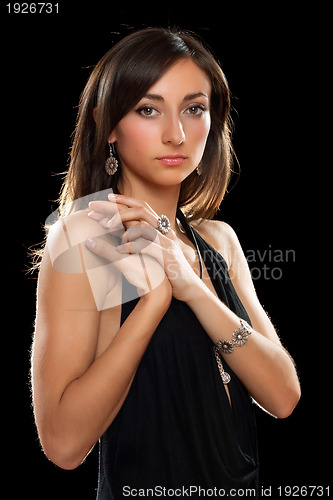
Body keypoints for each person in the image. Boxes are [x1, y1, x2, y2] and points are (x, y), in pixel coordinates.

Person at [30, 27, 301, 499]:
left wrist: (192, 287)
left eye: (194, 109)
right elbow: (64, 444)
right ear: (108, 123)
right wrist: (154, 300)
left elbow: (282, 396)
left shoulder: (219, 239)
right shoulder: (85, 241)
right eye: (148, 110)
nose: (176, 134)